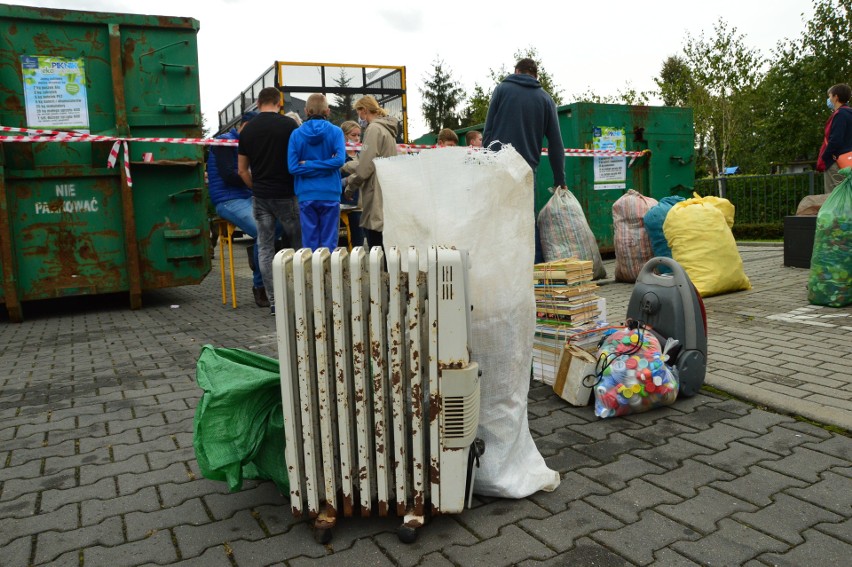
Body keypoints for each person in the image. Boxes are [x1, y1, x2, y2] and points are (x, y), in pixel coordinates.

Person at [483, 58, 567, 263]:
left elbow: (488, 130)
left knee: (497, 218)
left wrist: (484, 161)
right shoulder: (546, 100)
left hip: (498, 165)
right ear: (535, 75)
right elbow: (556, 144)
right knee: (526, 221)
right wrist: (559, 179)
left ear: (517, 71)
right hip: (526, 169)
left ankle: (500, 267)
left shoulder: (502, 89)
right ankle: (533, 271)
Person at [238, 86, 301, 315]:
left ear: (258, 102)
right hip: (287, 194)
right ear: (279, 102)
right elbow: (299, 159)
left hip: (261, 197)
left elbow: (242, 171)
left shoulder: (247, 130)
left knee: (264, 248)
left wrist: (257, 187)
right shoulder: (289, 126)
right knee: (296, 245)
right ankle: (298, 298)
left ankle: (274, 302)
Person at [206, 111, 272, 307]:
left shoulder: (246, 143)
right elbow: (229, 174)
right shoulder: (224, 142)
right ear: (244, 126)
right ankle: (260, 286)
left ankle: (257, 259)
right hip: (227, 199)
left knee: (276, 227)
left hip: (246, 196)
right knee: (264, 231)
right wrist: (257, 175)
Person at [287, 94, 347, 251]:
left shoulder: (296, 134)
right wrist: (327, 163)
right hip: (330, 192)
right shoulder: (336, 132)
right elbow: (339, 161)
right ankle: (328, 274)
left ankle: (311, 274)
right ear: (327, 111)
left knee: (309, 243)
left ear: (306, 111)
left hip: (306, 194)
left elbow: (293, 167)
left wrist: (308, 164)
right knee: (329, 243)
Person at [342, 96, 398, 250]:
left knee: (375, 246)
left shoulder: (373, 129)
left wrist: (350, 185)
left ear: (364, 110)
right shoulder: (388, 129)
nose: (360, 118)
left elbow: (365, 166)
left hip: (375, 191)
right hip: (386, 189)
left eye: (359, 113)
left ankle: (381, 274)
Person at [817, 83, 852, 194]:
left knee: (834, 197)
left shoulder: (840, 114)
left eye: (830, 96)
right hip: (848, 160)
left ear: (836, 97)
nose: (829, 99)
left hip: (837, 162)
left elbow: (836, 140)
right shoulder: (849, 113)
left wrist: (825, 157)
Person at [340, 120, 365, 248]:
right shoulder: (339, 157)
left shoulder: (363, 154)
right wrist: (347, 180)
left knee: (359, 245)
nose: (356, 138)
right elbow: (333, 182)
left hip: (364, 206)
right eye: (353, 135)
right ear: (344, 136)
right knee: (346, 244)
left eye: (358, 135)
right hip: (346, 206)